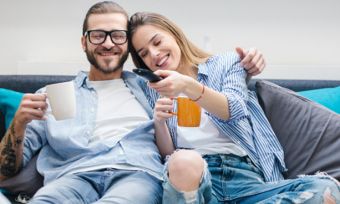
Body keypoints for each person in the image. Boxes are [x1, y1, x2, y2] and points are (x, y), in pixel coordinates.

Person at [0, 1, 266, 203]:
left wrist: (247, 66)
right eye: (97, 35)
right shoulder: (51, 94)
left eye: (117, 35)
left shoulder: (150, 86)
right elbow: (3, 173)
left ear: (126, 45)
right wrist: (19, 125)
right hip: (71, 176)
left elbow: (209, 81)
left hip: (135, 174)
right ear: (84, 42)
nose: (108, 43)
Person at [128, 12, 340, 204]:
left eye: (157, 42)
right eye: (144, 53)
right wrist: (160, 122)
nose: (154, 54)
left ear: (175, 35)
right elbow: (169, 156)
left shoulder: (226, 64)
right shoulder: (151, 88)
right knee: (183, 160)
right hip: (197, 182)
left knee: (326, 189)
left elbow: (234, 110)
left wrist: (188, 85)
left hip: (246, 178)